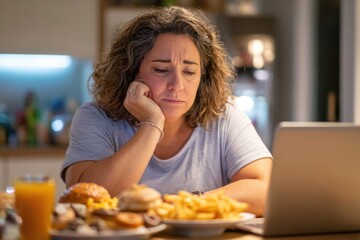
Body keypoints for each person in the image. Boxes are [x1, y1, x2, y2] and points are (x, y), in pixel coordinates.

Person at [61, 6, 272, 216]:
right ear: (130, 71)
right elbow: (85, 198)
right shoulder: (95, 117)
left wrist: (187, 204)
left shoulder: (225, 117)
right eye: (161, 70)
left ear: (203, 78)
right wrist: (152, 123)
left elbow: (267, 190)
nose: (177, 84)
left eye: (189, 71)